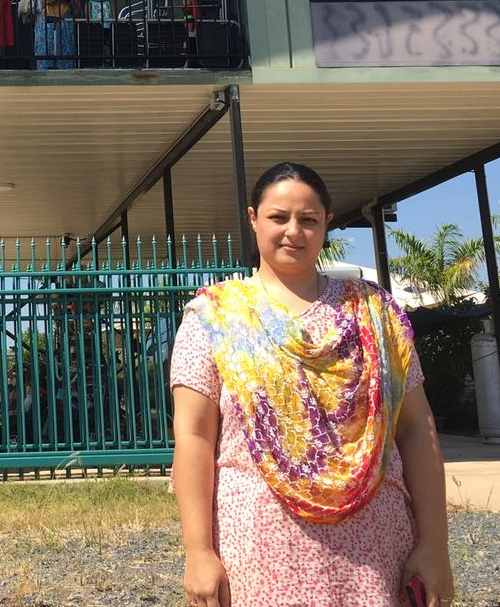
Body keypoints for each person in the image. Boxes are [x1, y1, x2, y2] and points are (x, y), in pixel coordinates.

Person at [170, 161, 454, 607]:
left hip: (376, 548)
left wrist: (435, 546)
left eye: (308, 219)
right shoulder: (214, 317)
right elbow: (192, 437)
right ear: (253, 219)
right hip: (260, 549)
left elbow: (418, 430)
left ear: (327, 224)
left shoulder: (374, 314)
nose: (293, 232)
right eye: (278, 217)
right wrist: (198, 551)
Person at [33, 0, 81, 69]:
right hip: (45, 37)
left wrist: (74, 1)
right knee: (45, 66)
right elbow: (33, 10)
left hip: (65, 37)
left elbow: (77, 14)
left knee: (65, 67)